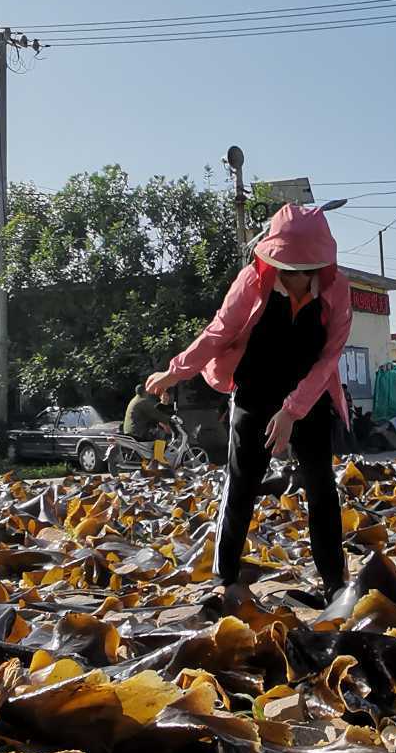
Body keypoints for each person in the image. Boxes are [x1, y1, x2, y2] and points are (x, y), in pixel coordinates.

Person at [146, 202, 351, 606]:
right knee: (241, 483)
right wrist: (175, 372)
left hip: (309, 395)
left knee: (321, 487)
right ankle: (224, 577)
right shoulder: (253, 282)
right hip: (255, 392)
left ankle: (333, 582)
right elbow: (218, 333)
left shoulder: (337, 289)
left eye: (305, 269)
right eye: (288, 268)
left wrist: (292, 411)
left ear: (320, 265)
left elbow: (330, 357)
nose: (296, 278)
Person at [122, 384, 174, 464]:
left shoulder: (134, 400)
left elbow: (149, 416)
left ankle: (152, 458)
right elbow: (156, 414)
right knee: (162, 434)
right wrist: (169, 420)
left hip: (130, 430)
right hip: (138, 431)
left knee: (156, 433)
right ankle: (158, 460)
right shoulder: (143, 401)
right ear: (145, 391)